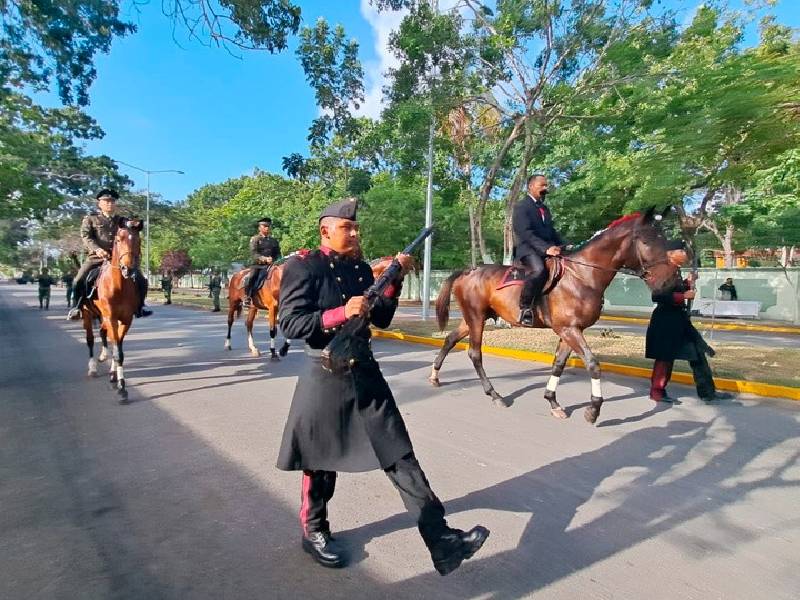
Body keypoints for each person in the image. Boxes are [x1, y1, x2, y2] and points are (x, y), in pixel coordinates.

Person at [277, 197, 489, 575]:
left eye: (357, 227)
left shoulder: (360, 268)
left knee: (400, 456)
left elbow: (384, 319)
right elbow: (291, 324)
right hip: (324, 374)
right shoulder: (303, 266)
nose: (355, 233)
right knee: (320, 461)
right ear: (325, 230)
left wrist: (393, 280)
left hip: (365, 372)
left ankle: (441, 541)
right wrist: (342, 312)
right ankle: (314, 532)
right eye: (348, 228)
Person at [645, 240, 734, 403]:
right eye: (682, 251)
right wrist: (683, 296)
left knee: (698, 353)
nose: (685, 254)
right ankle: (657, 392)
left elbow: (672, 289)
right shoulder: (662, 270)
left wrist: (687, 282)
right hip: (665, 321)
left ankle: (708, 393)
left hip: (679, 320)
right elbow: (657, 295)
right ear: (671, 253)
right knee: (665, 358)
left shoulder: (675, 270)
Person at [67, 189, 152, 320]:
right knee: (79, 279)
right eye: (106, 201)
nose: (109, 204)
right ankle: (76, 308)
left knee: (141, 279)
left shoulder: (121, 220)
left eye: (112, 201)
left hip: (118, 259)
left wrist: (135, 223)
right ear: (99, 203)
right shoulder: (91, 219)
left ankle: (140, 306)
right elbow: (86, 236)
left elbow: (132, 227)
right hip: (96, 258)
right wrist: (97, 249)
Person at [512, 174, 565, 326]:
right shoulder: (521, 207)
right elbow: (525, 233)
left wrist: (564, 245)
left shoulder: (544, 209)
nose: (545, 189)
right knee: (539, 271)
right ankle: (525, 308)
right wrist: (546, 248)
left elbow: (551, 231)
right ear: (531, 186)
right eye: (542, 186)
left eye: (546, 186)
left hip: (547, 248)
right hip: (528, 250)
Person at [244, 217, 281, 306]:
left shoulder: (274, 241)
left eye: (268, 226)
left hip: (272, 265)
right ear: (259, 228)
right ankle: (247, 297)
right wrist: (264, 259)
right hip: (258, 265)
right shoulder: (255, 239)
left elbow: (278, 254)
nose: (267, 228)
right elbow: (254, 254)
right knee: (251, 277)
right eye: (264, 226)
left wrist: (277, 261)